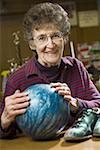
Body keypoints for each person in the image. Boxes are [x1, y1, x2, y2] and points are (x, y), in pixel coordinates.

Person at [0, 2, 100, 140]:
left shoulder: (76, 67)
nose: (50, 44)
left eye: (55, 36)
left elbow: (98, 104)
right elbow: (3, 130)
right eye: (42, 38)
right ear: (32, 44)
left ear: (64, 38)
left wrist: (75, 104)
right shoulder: (16, 79)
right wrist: (5, 121)